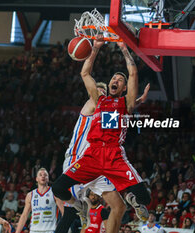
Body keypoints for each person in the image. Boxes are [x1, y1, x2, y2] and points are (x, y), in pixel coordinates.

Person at [53, 37, 151, 233]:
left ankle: (133, 199)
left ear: (124, 88)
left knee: (145, 198)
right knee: (58, 188)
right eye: (114, 78)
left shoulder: (125, 103)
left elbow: (132, 73)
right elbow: (85, 72)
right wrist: (95, 49)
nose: (115, 80)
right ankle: (78, 207)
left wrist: (124, 49)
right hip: (92, 155)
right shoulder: (99, 100)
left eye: (119, 80)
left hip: (115, 155)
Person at [15, 168, 64, 233]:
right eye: (40, 175)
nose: (43, 176)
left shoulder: (55, 193)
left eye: (45, 175)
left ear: (48, 178)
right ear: (36, 179)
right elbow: (24, 215)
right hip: (34, 230)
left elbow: (64, 213)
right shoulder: (30, 195)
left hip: (50, 230)